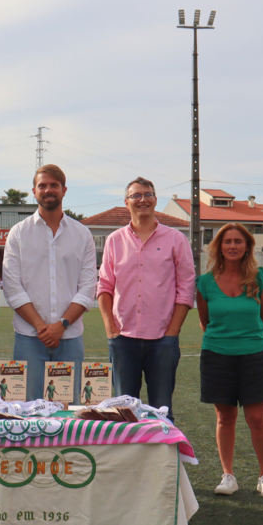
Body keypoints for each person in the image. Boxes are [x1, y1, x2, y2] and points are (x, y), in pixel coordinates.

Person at [96, 177, 195, 413]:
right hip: (123, 340)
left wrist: (172, 333)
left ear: (155, 200)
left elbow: (187, 288)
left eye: (148, 194)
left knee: (162, 410)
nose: (143, 200)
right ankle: (126, 451)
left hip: (163, 340)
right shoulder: (114, 240)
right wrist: (111, 328)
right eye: (136, 195)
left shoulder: (176, 239)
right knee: (123, 412)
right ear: (126, 202)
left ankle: (162, 450)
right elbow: (104, 286)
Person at [196, 223, 263, 498]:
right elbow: (205, 322)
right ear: (219, 246)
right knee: (224, 417)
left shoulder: (260, 277)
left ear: (247, 247)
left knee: (257, 418)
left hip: (253, 354)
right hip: (217, 355)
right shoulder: (205, 282)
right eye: (227, 241)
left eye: (238, 242)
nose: (232, 246)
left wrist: (246, 338)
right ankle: (228, 475)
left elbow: (262, 318)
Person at [1, 164, 97, 400]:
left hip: (70, 336)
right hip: (28, 337)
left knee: (68, 409)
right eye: (42, 185)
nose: (48, 190)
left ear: (64, 190)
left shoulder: (82, 234)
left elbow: (87, 288)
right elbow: (12, 287)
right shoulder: (18, 233)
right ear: (34, 191)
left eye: (54, 185)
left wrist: (61, 325)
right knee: (27, 409)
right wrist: (41, 327)